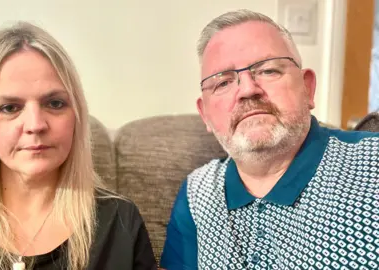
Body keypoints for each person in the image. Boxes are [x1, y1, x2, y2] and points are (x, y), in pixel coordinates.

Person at [0, 22, 157, 270]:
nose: (35, 124)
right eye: (10, 108)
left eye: (55, 103)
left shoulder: (120, 223)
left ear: (76, 115)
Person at [160, 9, 379, 270]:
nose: (248, 89)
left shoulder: (372, 164)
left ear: (307, 88)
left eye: (268, 70)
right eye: (222, 83)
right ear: (205, 114)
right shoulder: (196, 195)